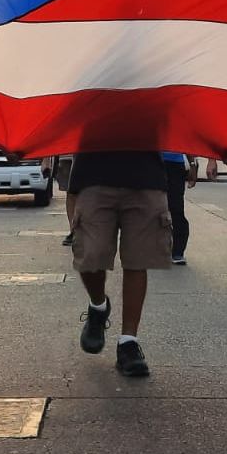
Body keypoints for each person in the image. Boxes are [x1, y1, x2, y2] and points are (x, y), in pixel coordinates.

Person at [68, 150, 171, 377]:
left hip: (144, 175)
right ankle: (98, 306)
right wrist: (21, 145)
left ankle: (128, 342)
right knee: (90, 255)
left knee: (138, 258)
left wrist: (225, 149)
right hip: (93, 174)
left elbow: (190, 118)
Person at [161, 151, 197, 264]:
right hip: (153, 162)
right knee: (153, 208)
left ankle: (177, 251)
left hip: (175, 164)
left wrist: (193, 165)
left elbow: (187, 140)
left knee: (176, 208)